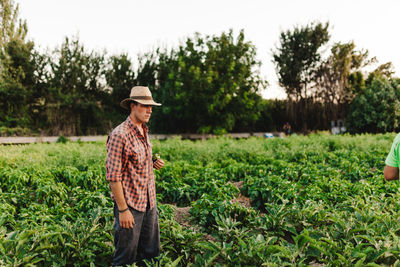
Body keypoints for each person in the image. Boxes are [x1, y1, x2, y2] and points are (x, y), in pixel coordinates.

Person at [106, 86, 165, 266]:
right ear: (132, 105)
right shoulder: (119, 135)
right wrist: (123, 211)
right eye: (144, 105)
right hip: (131, 205)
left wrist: (152, 161)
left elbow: (136, 161)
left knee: (151, 254)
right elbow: (113, 177)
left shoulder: (143, 130)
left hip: (149, 202)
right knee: (126, 257)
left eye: (151, 106)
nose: (149, 110)